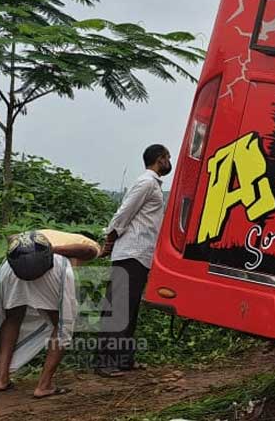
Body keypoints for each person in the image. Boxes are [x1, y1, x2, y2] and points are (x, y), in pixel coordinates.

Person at [97, 144, 171, 376]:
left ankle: (123, 359)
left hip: (140, 254)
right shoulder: (147, 183)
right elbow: (124, 213)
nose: (170, 162)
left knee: (129, 308)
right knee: (118, 309)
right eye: (168, 158)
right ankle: (104, 362)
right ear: (160, 159)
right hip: (131, 252)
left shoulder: (153, 185)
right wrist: (109, 241)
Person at [0, 231, 78, 398]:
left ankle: (1, 380)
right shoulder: (60, 263)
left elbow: (11, 238)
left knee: (12, 318)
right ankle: (44, 385)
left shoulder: (12, 260)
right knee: (61, 324)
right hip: (51, 274)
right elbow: (88, 250)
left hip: (11, 275)